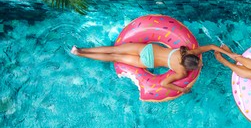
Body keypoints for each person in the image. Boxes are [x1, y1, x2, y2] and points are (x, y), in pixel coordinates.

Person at [71, 43, 231, 93]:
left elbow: (210, 46)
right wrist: (182, 90)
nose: (201, 63)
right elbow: (164, 84)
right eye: (200, 64)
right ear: (190, 68)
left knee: (114, 50)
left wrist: (224, 51)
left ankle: (79, 50)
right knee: (115, 58)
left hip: (146, 50)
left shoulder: (187, 52)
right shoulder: (181, 72)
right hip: (147, 62)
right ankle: (81, 54)